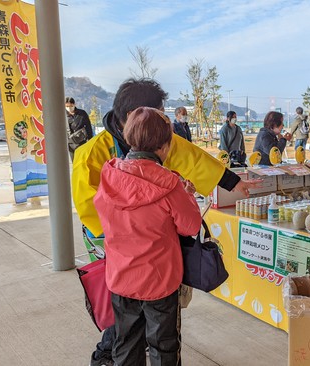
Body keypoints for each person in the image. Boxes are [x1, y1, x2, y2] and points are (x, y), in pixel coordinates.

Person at [72, 78, 259, 366]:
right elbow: (187, 223)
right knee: (159, 339)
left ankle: (112, 355)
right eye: (160, 113)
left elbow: (193, 158)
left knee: (127, 330)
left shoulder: (112, 168)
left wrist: (232, 182)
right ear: (137, 117)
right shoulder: (93, 155)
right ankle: (103, 355)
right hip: (143, 265)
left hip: (123, 267)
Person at [94, 106, 201, 365]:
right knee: (163, 346)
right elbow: (191, 226)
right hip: (159, 280)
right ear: (164, 147)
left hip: (120, 277)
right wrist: (187, 195)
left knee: (126, 343)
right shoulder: (170, 184)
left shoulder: (109, 175)